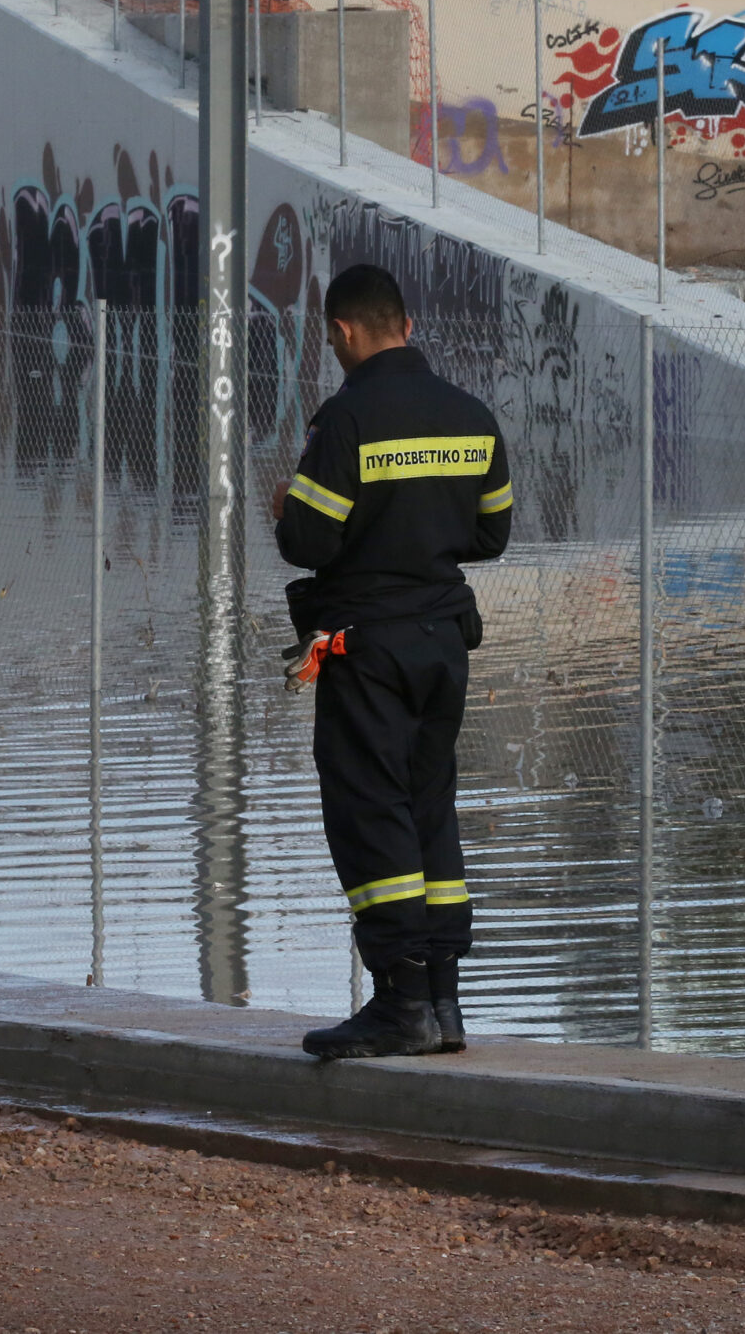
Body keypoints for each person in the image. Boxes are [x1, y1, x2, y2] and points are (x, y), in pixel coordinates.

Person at [273, 264, 513, 1060]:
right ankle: (442, 1001)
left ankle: (398, 1002)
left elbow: (308, 541)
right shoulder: (471, 415)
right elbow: (490, 534)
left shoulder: (346, 420)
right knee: (428, 805)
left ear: (342, 332)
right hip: (444, 642)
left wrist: (288, 506)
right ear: (406, 326)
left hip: (369, 644)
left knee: (370, 807)